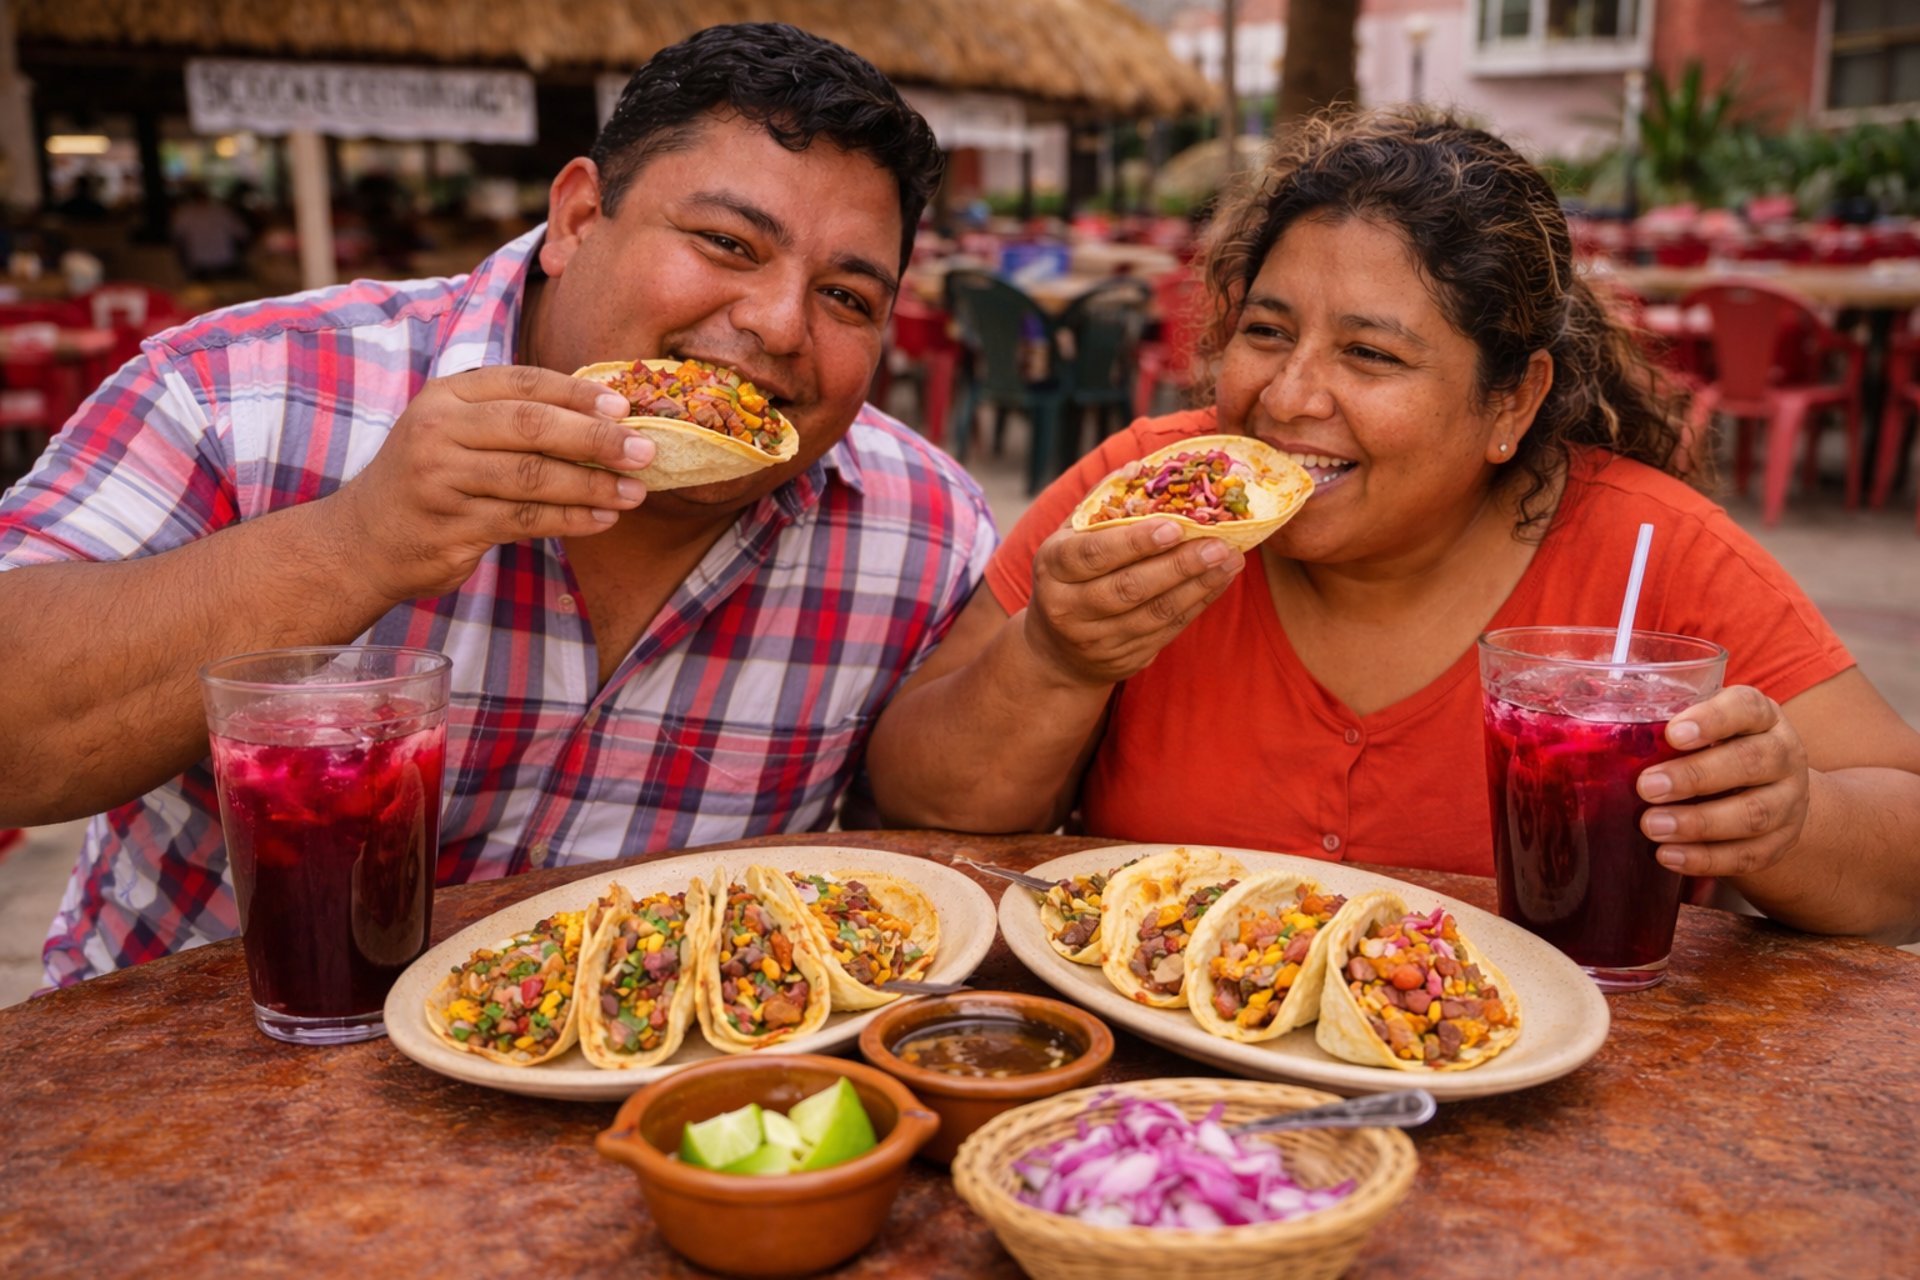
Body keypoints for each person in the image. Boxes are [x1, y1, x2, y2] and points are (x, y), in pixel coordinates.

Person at [0, 23, 992, 988]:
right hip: (186, 1075)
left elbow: (927, 853)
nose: (779, 324)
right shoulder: (246, 391)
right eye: (727, 242)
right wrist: (352, 546)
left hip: (631, 1114)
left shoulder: (924, 530)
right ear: (575, 219)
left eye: (849, 299)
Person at [865, 111, 1920, 942]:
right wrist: (1056, 656)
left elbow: (1904, 842)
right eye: (1266, 331)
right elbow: (914, 796)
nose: (1288, 395)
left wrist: (1791, 822)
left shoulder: (1654, 550)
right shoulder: (1154, 486)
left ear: (1511, 402)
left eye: (1371, 356)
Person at [169, 181, 251, 280]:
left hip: (201, 265)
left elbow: (176, 238)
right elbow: (242, 234)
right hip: (223, 262)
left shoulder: (183, 214)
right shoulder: (223, 211)